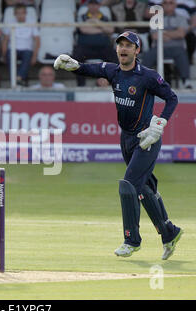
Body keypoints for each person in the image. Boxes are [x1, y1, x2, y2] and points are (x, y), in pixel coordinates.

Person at [54, 31, 183, 260]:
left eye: (128, 46)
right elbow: (88, 69)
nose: (123, 49)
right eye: (120, 45)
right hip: (127, 139)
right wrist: (72, 65)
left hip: (147, 139)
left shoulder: (148, 76)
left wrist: (159, 125)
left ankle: (131, 240)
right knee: (144, 190)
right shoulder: (112, 70)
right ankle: (169, 233)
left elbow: (172, 98)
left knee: (128, 185)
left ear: (137, 50)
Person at [142, 0, 192, 88]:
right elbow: (154, 36)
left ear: (175, 5)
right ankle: (141, 80)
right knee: (148, 55)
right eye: (165, 3)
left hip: (176, 47)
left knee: (182, 53)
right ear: (162, 5)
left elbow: (181, 34)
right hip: (158, 48)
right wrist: (174, 33)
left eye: (171, 3)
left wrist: (163, 33)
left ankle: (186, 81)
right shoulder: (156, 18)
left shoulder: (181, 18)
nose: (168, 5)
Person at [73, 0, 118, 86]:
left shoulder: (105, 18)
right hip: (85, 48)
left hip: (103, 47)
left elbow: (111, 30)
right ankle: (81, 86)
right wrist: (102, 28)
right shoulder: (82, 17)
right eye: (91, 4)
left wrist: (94, 23)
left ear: (99, 5)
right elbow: (83, 29)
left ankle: (111, 85)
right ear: (88, 5)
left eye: (95, 4)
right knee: (76, 59)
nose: (93, 6)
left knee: (115, 60)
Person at [1, 3, 40, 86]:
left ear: (25, 13)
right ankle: (19, 80)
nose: (20, 15)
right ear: (15, 14)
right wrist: (4, 55)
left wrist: (35, 55)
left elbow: (37, 40)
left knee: (27, 55)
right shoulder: (10, 23)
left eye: (22, 13)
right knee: (10, 55)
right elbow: (5, 40)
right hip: (12, 49)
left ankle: (16, 79)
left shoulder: (31, 22)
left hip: (27, 49)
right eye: (18, 13)